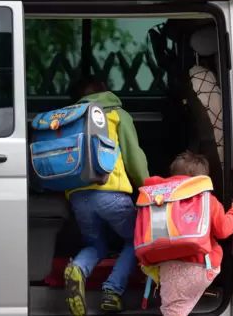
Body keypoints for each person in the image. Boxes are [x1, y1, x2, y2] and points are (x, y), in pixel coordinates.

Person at [64, 76, 149, 315]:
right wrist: (148, 187)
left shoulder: (69, 117)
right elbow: (134, 159)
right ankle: (112, 291)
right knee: (137, 239)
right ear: (105, 90)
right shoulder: (116, 114)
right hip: (111, 192)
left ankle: (78, 268)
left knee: (96, 244)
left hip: (78, 197)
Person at [141, 151, 233, 316]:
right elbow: (223, 230)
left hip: (167, 268)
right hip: (200, 267)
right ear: (202, 180)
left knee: (173, 310)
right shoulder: (207, 200)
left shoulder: (158, 200)